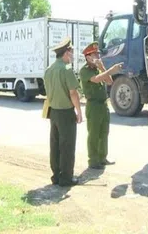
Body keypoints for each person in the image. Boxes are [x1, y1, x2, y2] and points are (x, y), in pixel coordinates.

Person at [43, 37, 83, 187]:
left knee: (55, 145)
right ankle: (66, 177)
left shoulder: (49, 70)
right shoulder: (66, 69)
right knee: (67, 146)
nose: (72, 55)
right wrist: (79, 111)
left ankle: (56, 176)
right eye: (71, 52)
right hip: (66, 112)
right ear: (66, 53)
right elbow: (73, 93)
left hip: (53, 112)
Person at [79, 42, 122, 170]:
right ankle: (93, 160)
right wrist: (111, 70)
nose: (98, 56)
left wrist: (103, 67)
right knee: (94, 133)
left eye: (98, 54)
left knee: (104, 132)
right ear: (88, 57)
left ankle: (102, 158)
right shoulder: (84, 70)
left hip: (103, 104)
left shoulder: (99, 68)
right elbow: (96, 79)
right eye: (95, 54)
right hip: (93, 105)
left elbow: (109, 81)